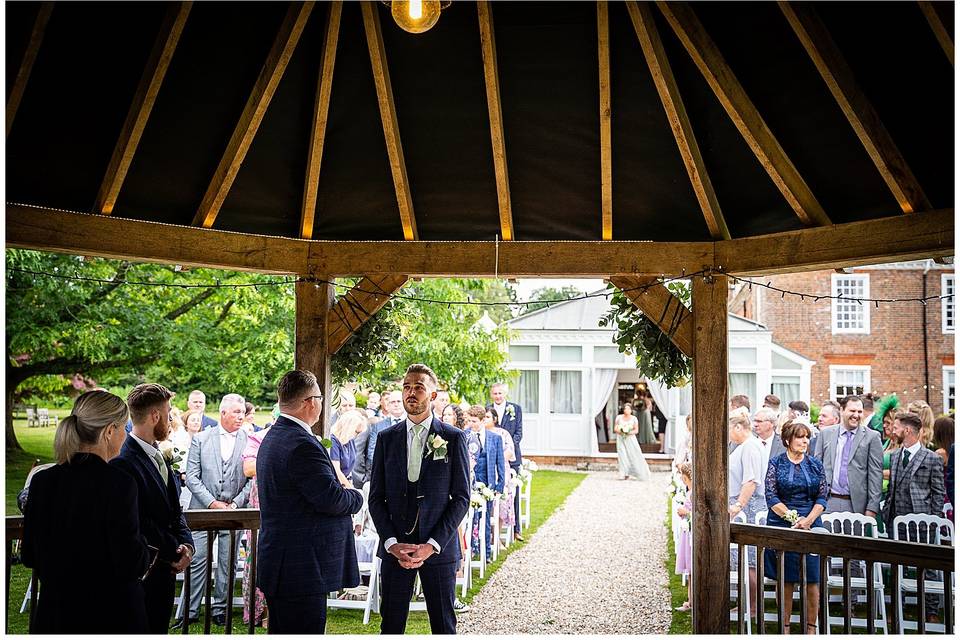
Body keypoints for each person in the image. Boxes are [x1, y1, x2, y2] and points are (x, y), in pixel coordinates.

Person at [22, 390, 152, 633]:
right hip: (111, 615)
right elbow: (130, 561)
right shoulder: (119, 483)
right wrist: (145, 547)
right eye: (124, 428)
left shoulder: (43, 481)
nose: (125, 435)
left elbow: (29, 554)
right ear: (110, 431)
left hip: (56, 613)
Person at [256, 370, 364, 634]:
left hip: (284, 561)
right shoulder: (301, 444)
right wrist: (357, 497)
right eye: (320, 397)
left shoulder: (275, 435)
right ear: (310, 402)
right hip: (300, 567)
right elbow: (331, 498)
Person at [369, 363, 471, 634]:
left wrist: (432, 544)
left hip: (438, 549)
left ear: (433, 396)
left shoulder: (453, 438)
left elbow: (461, 498)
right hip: (395, 550)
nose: (410, 393)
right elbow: (376, 498)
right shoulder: (385, 438)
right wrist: (391, 543)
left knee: (443, 627)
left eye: (419, 388)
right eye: (406, 387)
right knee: (390, 626)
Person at [111, 383, 194, 634]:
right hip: (143, 572)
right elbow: (138, 519)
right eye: (168, 414)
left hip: (165, 570)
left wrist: (187, 544)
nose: (171, 420)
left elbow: (174, 511)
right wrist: (174, 549)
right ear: (155, 416)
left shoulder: (158, 453)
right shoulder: (124, 461)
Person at [179, 393, 253, 627]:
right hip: (202, 511)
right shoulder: (201, 439)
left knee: (228, 562)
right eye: (236, 412)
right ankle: (190, 610)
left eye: (242, 413)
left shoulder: (249, 440)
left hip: (234, 513)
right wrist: (212, 503)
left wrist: (235, 504)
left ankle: (221, 609)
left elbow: (252, 479)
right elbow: (191, 477)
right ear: (222, 413)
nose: (241, 417)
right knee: (197, 559)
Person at [764, 420, 827, 635]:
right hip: (783, 522)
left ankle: (811, 629)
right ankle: (786, 629)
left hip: (811, 522)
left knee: (812, 577)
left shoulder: (815, 464)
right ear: (787, 440)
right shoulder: (775, 463)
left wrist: (808, 520)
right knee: (786, 578)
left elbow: (822, 496)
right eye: (800, 437)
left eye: (807, 437)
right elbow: (771, 496)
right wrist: (793, 518)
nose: (805, 441)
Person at [882, 411, 945, 623]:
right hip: (895, 520)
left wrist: (933, 521)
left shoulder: (932, 457)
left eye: (897, 428)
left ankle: (931, 610)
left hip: (922, 523)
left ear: (907, 431)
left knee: (927, 567)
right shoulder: (895, 456)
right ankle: (895, 609)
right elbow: (892, 489)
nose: (893, 431)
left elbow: (938, 493)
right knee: (895, 566)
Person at [813, 395, 883, 517]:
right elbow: (816, 468)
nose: (856, 415)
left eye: (859, 412)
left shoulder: (872, 437)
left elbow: (875, 475)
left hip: (857, 505)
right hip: (827, 502)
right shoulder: (825, 434)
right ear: (841, 410)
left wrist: (872, 508)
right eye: (852, 411)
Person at [728, 414, 766, 617]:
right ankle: (744, 602)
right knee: (742, 557)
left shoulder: (750, 446)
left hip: (748, 507)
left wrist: (738, 505)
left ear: (739, 427)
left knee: (750, 557)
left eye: (729, 429)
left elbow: (751, 480)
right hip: (741, 504)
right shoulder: (743, 446)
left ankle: (752, 607)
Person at [241, 421, 271, 628]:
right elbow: (249, 469)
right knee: (259, 557)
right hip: (260, 506)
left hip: (282, 506)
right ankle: (258, 611)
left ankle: (275, 611)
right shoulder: (259, 438)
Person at [488, 382, 525, 540]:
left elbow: (519, 433)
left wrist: (507, 447)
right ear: (491, 395)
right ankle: (492, 533)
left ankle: (516, 530)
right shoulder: (487, 409)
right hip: (491, 459)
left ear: (505, 394)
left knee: (512, 494)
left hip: (511, 457)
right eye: (495, 393)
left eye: (500, 393)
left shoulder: (515, 409)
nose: (498, 396)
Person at [467, 405, 504, 561]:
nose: (471, 424)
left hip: (487, 483)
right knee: (469, 518)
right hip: (469, 482)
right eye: (469, 420)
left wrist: (500, 485)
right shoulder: (464, 436)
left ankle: (486, 553)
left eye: (474, 421)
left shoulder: (494, 438)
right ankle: (469, 550)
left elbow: (500, 463)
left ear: (483, 421)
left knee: (486, 518)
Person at [367, 390, 406, 465]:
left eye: (399, 401)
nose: (396, 404)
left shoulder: (412, 424)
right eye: (393, 402)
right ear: (388, 405)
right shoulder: (378, 426)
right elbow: (372, 452)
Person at [674, 462, 693, 613]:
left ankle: (692, 600)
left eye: (684, 479)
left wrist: (685, 512)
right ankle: (690, 599)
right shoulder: (690, 492)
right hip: (688, 533)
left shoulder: (694, 493)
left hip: (692, 535)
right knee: (690, 570)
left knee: (692, 568)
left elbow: (698, 513)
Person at [614, 403, 651, 481]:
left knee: (633, 455)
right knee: (622, 455)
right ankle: (623, 473)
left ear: (631, 410)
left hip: (631, 439)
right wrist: (622, 431)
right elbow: (615, 428)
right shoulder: (619, 417)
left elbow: (636, 430)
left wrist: (627, 432)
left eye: (628, 409)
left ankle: (638, 472)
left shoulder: (634, 418)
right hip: (621, 439)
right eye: (625, 409)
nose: (626, 410)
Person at [331, 409, 367, 487]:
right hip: (335, 485)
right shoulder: (333, 441)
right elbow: (336, 470)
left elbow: (349, 470)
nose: (357, 436)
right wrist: (350, 489)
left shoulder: (350, 441)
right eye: (356, 432)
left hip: (347, 482)